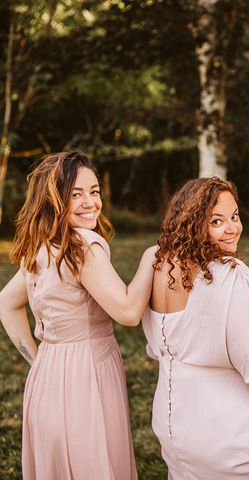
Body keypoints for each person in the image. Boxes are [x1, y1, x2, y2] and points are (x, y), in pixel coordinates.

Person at [0, 151, 156, 479]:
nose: (90, 202)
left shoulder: (41, 248)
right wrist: (150, 256)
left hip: (47, 376)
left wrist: (38, 359)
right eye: (76, 194)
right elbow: (128, 312)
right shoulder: (83, 245)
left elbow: (6, 303)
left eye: (94, 191)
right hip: (89, 377)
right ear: (53, 200)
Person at [141, 177, 249, 479]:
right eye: (217, 221)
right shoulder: (231, 278)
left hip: (174, 426)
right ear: (193, 224)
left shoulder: (160, 266)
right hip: (231, 437)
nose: (233, 228)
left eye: (235, 216)